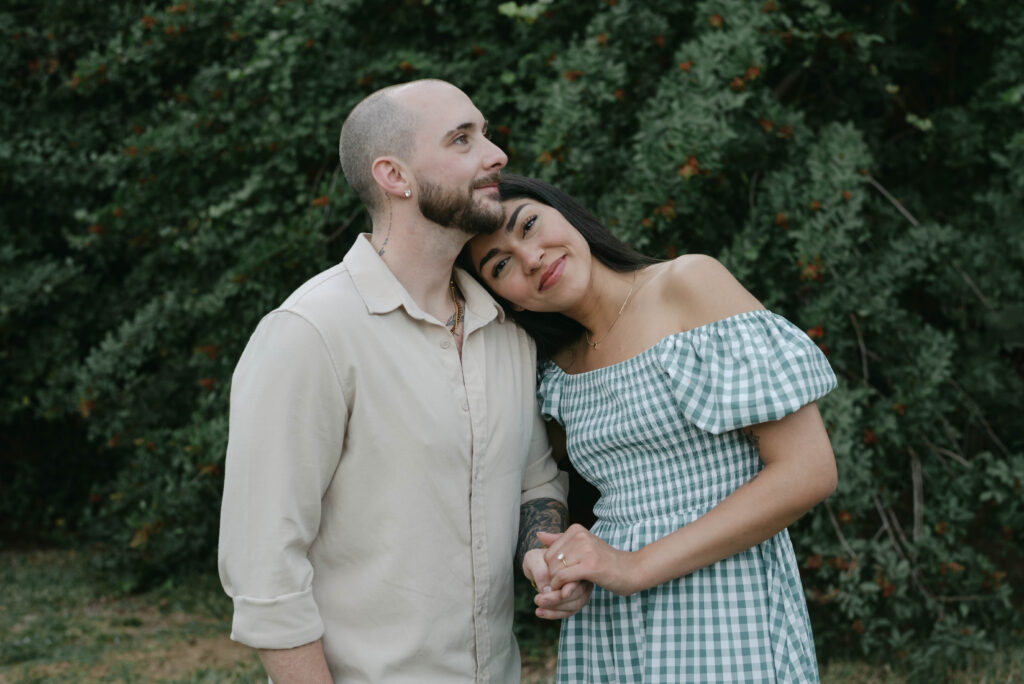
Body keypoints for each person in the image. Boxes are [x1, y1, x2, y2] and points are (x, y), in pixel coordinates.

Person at [218, 82, 589, 684]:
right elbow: (265, 570)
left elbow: (534, 484)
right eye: (462, 140)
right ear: (394, 175)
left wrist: (545, 558)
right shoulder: (310, 332)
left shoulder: (506, 329)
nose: (495, 155)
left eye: (485, 134)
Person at [464, 174, 839, 683]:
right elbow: (541, 485)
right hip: (610, 623)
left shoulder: (688, 284)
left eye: (528, 224)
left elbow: (807, 471)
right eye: (500, 265)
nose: (530, 258)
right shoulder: (551, 369)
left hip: (726, 602)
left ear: (565, 212)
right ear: (508, 302)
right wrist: (555, 566)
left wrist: (635, 566)